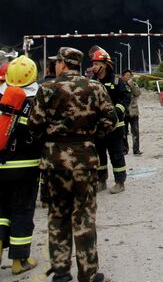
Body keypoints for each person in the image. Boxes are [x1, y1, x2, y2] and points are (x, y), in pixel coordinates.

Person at [28, 47, 116, 282]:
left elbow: (34, 125)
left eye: (57, 62)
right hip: (84, 160)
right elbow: (111, 119)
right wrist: (90, 136)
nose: (55, 66)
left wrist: (51, 140)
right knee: (84, 216)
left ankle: (61, 273)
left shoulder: (47, 89)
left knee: (58, 215)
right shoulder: (95, 87)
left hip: (54, 163)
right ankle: (88, 273)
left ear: (63, 64)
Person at [0, 55, 41, 275]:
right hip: (24, 169)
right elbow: (40, 135)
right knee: (22, 210)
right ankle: (19, 260)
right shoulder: (33, 103)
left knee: (1, 205)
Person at [89, 47, 129, 194]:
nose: (93, 66)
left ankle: (120, 182)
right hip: (98, 128)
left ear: (105, 64)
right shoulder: (92, 82)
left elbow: (125, 98)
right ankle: (102, 181)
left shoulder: (117, 81)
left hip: (115, 127)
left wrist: (117, 112)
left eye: (96, 63)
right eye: (93, 63)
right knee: (99, 156)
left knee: (116, 155)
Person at [121, 69, 142, 156]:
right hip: (124, 112)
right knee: (123, 132)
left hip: (133, 112)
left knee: (135, 131)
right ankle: (125, 149)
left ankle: (136, 150)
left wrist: (132, 85)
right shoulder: (120, 85)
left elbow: (137, 93)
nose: (128, 77)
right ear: (123, 76)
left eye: (130, 75)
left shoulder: (134, 85)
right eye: (126, 75)